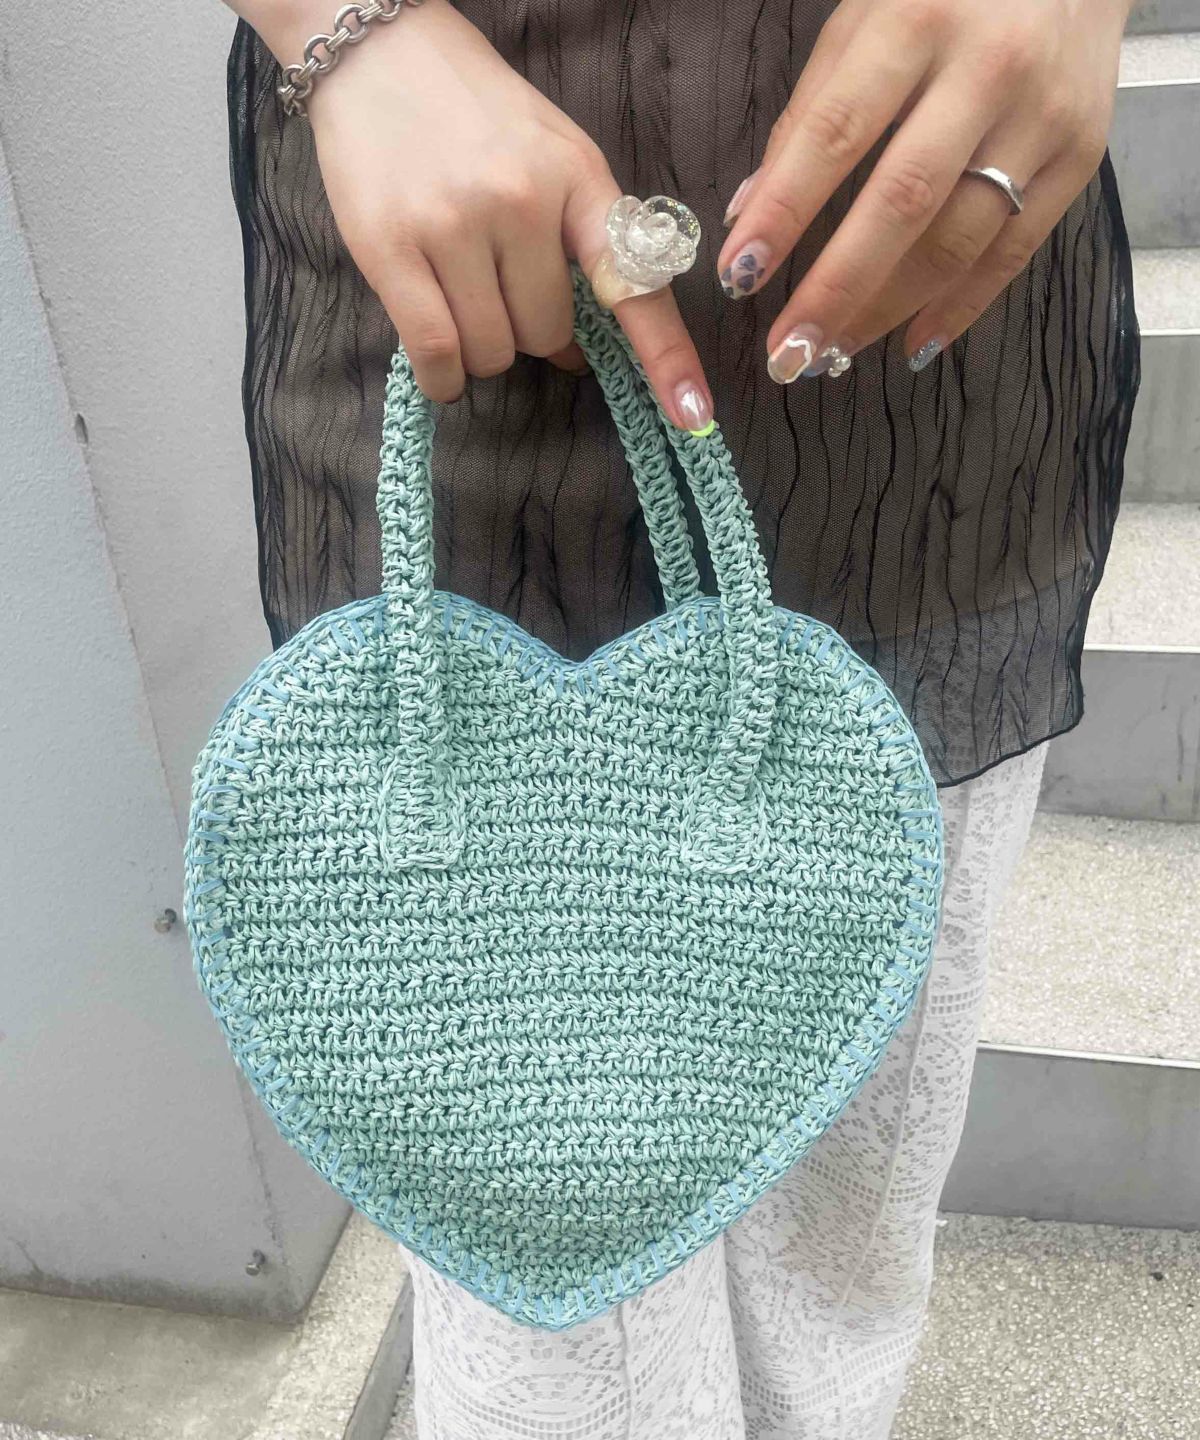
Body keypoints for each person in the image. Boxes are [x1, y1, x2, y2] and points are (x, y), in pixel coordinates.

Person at [222, 1, 1141, 1434]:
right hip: (445, 307)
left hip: (921, 386)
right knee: (547, 1341)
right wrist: (345, 26)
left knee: (846, 1232)